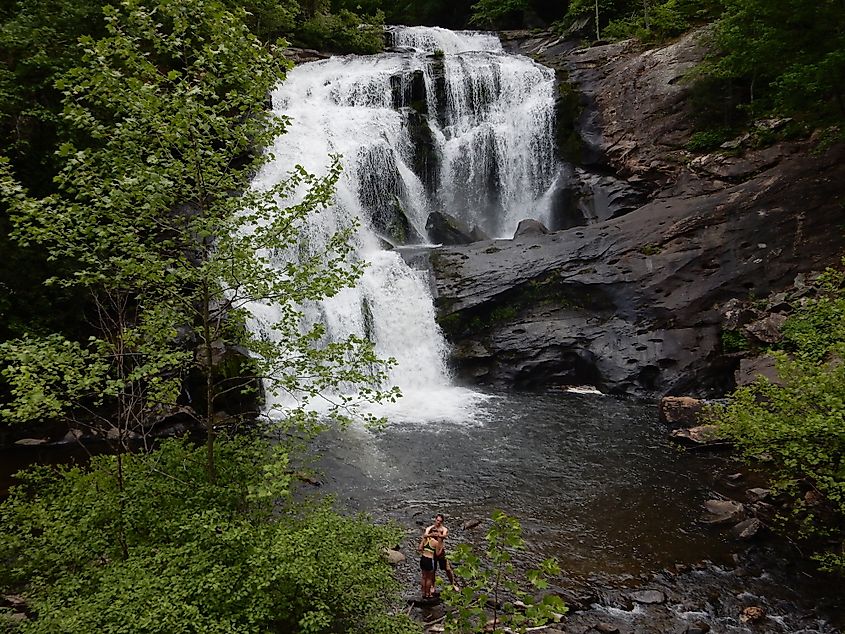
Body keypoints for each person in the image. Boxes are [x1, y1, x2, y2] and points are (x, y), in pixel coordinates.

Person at [423, 513, 458, 592]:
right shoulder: (430, 528)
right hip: (432, 551)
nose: (438, 522)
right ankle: (432, 586)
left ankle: (453, 584)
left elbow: (445, 535)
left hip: (441, 551)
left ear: (442, 522)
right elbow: (425, 535)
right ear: (435, 520)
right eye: (437, 520)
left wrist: (439, 535)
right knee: (433, 570)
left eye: (440, 521)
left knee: (447, 569)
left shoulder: (443, 529)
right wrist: (431, 534)